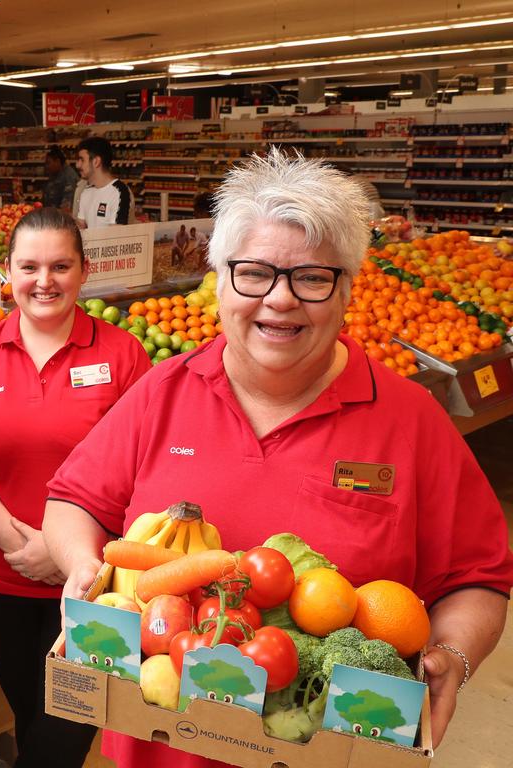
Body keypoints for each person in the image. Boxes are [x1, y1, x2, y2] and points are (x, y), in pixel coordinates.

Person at [42, 148, 513, 768]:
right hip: (164, 749)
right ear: (220, 280)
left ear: (346, 290)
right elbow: (73, 500)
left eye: (312, 278)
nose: (280, 299)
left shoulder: (412, 420)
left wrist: (454, 653)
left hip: (335, 748)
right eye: (255, 272)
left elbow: (477, 577)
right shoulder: (163, 390)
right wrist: (82, 570)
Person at [0, 207, 152, 767]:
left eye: (60, 265)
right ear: (8, 272)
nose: (44, 281)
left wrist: (64, 552)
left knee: (68, 724)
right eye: (29, 266)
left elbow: (143, 473)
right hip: (1, 573)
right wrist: (19, 544)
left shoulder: (123, 356)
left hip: (95, 586)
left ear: (83, 272)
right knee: (26, 706)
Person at [74, 137, 132, 228]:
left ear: (96, 162)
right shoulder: (86, 192)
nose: (77, 165)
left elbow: (117, 235)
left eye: (82, 160)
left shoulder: (119, 191)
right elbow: (81, 226)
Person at [43, 146, 80, 211]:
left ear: (57, 161)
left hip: (60, 218)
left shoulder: (68, 176)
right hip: (51, 214)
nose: (46, 166)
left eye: (48, 163)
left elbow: (66, 206)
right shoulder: (55, 173)